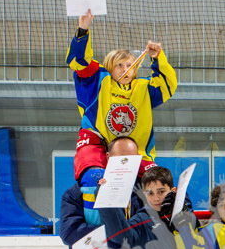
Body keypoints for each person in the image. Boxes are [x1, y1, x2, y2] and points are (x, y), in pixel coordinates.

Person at [66, 8, 178, 163]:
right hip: (100, 155)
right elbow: (78, 61)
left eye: (130, 65)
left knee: (158, 180)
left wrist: (158, 57)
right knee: (92, 178)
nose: (126, 70)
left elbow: (168, 85)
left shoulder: (143, 88)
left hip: (139, 157)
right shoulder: (97, 81)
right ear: (109, 66)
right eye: (119, 65)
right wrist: (83, 28)